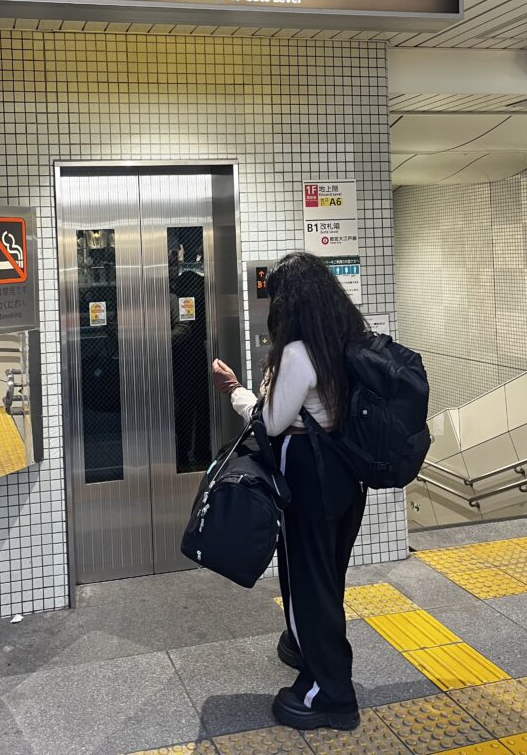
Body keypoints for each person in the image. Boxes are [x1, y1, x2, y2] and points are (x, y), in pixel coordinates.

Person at [212, 251, 368, 732]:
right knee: (326, 577)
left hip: (308, 475)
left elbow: (274, 421)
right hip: (345, 474)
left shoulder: (300, 352)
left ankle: (330, 695)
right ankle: (305, 648)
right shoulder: (348, 337)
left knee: (307, 583)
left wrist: (236, 391)